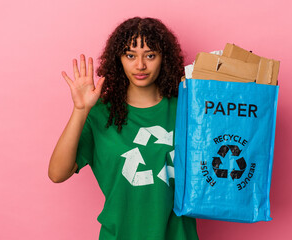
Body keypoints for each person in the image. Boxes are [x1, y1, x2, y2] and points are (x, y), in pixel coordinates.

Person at [48, 17, 199, 240]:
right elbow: (57, 174)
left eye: (150, 55)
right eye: (130, 55)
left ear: (163, 59)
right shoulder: (100, 114)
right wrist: (80, 110)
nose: (140, 65)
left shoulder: (187, 108)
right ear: (119, 59)